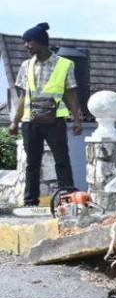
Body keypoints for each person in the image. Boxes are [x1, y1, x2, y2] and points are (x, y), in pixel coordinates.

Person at [7, 22, 83, 206]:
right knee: (32, 163)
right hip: (30, 121)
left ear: (40, 42)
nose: (26, 45)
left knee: (61, 160)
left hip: (55, 120)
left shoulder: (65, 65)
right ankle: (30, 201)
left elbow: (71, 93)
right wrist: (15, 122)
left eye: (29, 42)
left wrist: (77, 120)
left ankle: (67, 198)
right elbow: (24, 96)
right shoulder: (26, 65)